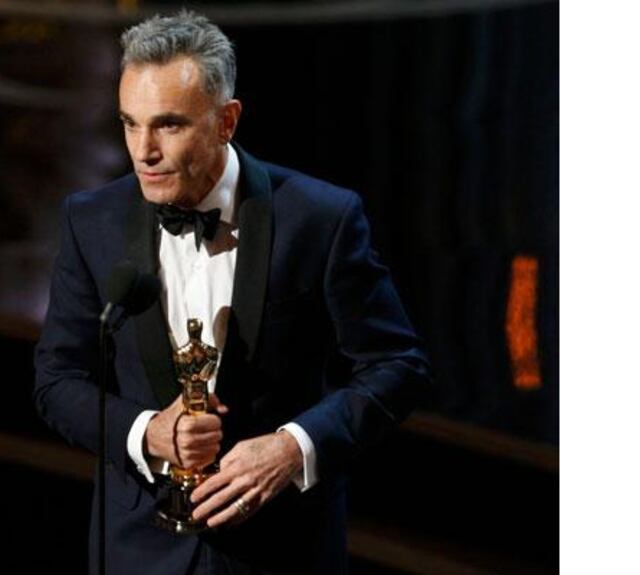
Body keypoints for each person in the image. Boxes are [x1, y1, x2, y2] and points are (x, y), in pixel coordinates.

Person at [34, 10, 430, 575]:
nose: (143, 151)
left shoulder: (320, 218)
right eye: (129, 123)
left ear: (226, 120)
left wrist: (293, 447)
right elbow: (56, 381)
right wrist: (146, 432)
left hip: (283, 551)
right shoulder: (90, 220)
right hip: (138, 550)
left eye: (168, 125)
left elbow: (398, 366)